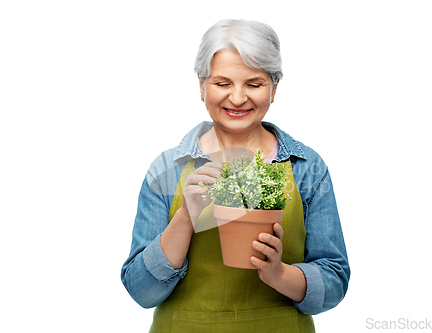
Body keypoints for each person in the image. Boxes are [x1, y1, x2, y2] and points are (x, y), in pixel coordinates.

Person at [121, 19, 350, 333]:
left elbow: (334, 283)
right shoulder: (167, 169)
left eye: (254, 84)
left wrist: (279, 274)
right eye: (222, 83)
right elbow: (141, 291)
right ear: (201, 85)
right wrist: (187, 216)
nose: (238, 98)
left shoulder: (307, 168)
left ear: (275, 86)